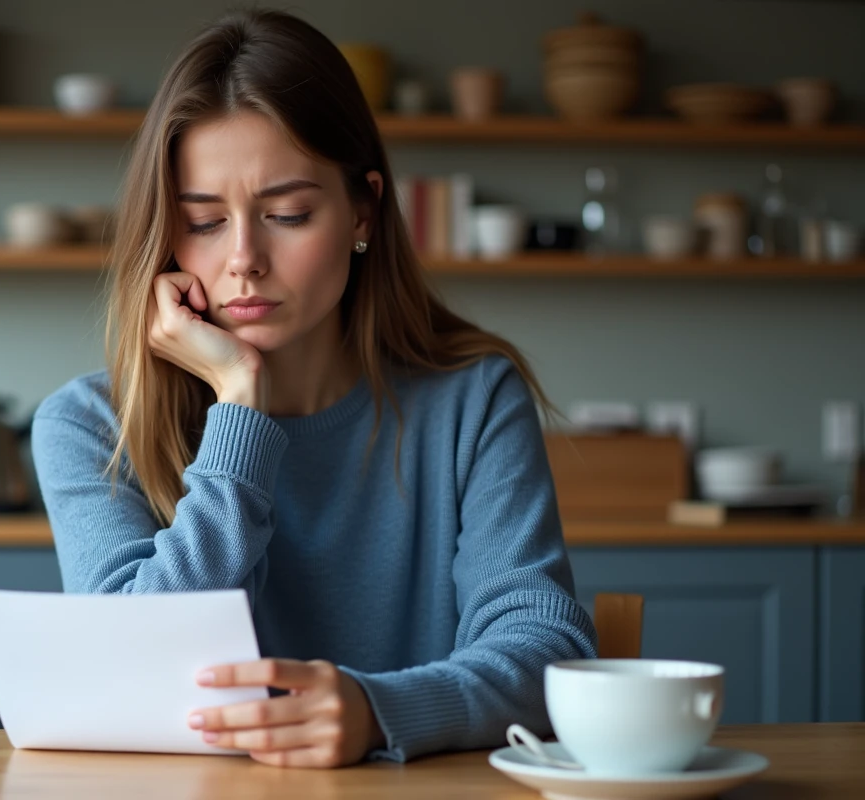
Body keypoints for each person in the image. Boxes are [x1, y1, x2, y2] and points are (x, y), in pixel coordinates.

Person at [32, 8, 597, 769]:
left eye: (287, 214)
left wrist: (378, 710)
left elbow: (545, 652)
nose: (244, 259)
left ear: (362, 209)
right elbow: (127, 665)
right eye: (203, 222)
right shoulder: (89, 425)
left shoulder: (473, 399)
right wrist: (239, 404)